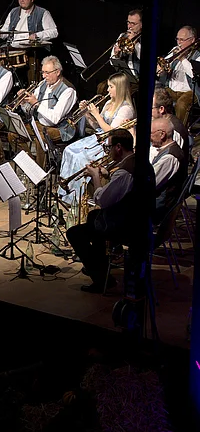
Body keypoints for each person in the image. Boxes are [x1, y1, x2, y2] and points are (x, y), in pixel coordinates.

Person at [66, 129, 136, 293]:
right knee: (93, 217)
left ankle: (100, 277)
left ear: (118, 147)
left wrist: (96, 177)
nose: (107, 152)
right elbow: (123, 189)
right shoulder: (137, 162)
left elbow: (102, 201)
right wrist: (108, 175)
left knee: (74, 233)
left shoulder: (124, 172)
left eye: (108, 147)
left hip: (126, 225)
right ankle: (100, 269)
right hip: (136, 217)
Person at [58, 72, 136, 203]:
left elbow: (112, 133)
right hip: (97, 137)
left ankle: (77, 198)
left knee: (80, 158)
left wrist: (97, 114)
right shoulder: (109, 103)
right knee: (69, 150)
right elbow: (97, 126)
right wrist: (87, 114)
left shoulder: (126, 109)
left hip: (108, 143)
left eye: (111, 87)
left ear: (120, 88)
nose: (107, 90)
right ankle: (66, 191)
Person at [7, 55, 77, 169]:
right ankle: (30, 167)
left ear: (57, 72)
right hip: (40, 124)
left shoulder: (68, 90)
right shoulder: (42, 84)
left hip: (60, 128)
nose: (44, 76)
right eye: (43, 72)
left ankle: (40, 172)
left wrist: (36, 103)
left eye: (47, 73)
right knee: (14, 134)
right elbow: (30, 111)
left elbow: (55, 119)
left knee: (41, 138)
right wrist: (24, 103)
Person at [157, 25, 198, 124]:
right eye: (177, 39)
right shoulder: (174, 51)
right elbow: (164, 64)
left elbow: (194, 74)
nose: (179, 43)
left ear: (192, 40)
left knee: (181, 104)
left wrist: (182, 58)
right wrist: (160, 69)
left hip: (189, 91)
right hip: (171, 90)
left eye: (182, 40)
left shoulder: (197, 56)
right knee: (156, 96)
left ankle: (178, 130)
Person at [150, 116, 187, 223]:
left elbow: (148, 185)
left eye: (151, 134)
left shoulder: (170, 157)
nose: (149, 137)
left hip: (157, 208)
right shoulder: (167, 150)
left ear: (162, 134)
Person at [152, 87, 190, 163]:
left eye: (151, 108)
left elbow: (169, 160)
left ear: (161, 109)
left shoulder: (175, 131)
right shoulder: (158, 122)